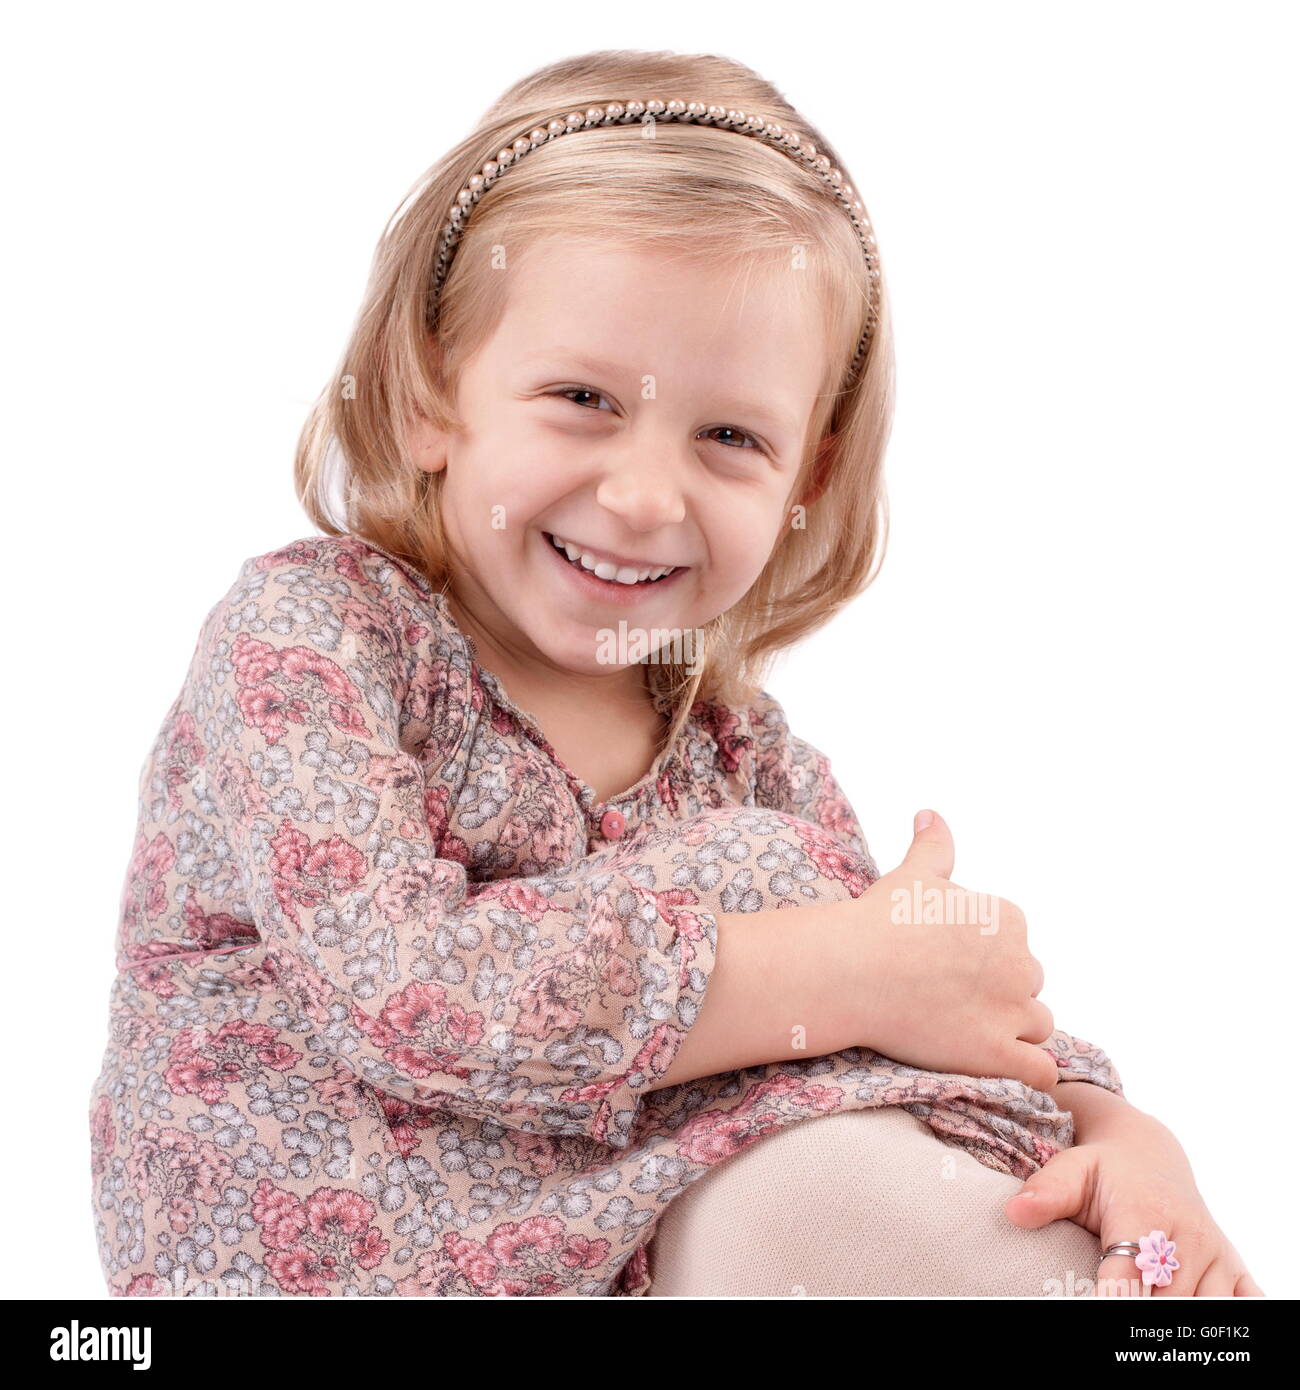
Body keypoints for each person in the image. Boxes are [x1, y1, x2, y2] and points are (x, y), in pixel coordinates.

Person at [88, 48, 1261, 1298]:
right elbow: (408, 993)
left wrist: (1116, 1129)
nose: (645, 495)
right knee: (784, 908)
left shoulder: (733, 747)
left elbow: (915, 1010)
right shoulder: (315, 634)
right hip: (337, 1253)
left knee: (863, 1060)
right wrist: (844, 968)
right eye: (582, 397)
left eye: (730, 436)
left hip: (622, 1239)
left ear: (805, 478)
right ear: (432, 389)